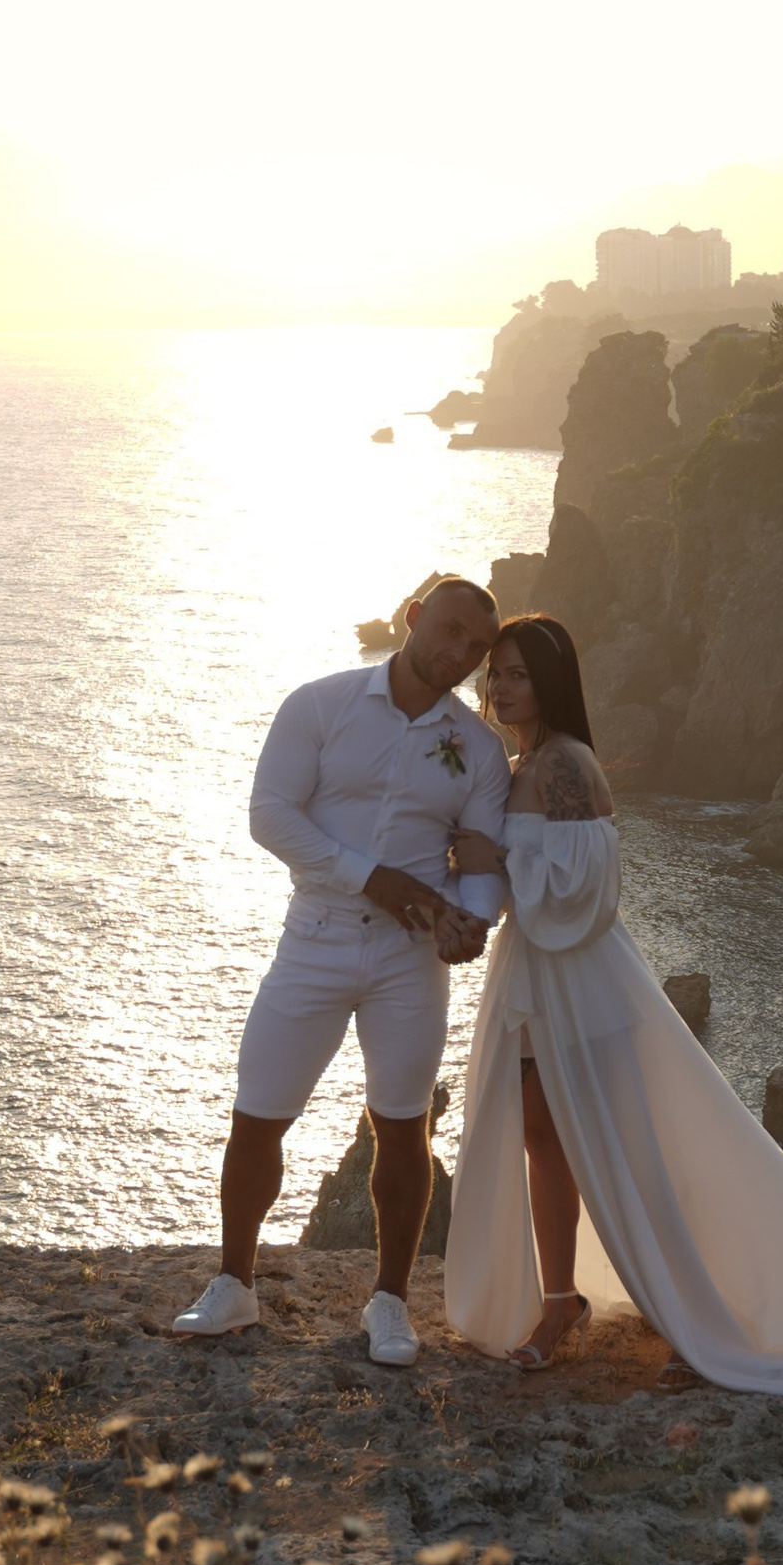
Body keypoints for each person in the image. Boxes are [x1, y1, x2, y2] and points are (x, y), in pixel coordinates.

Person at [441, 614, 783, 1396]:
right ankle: (559, 1301)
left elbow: (587, 895)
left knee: (628, 1147)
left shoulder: (567, 764)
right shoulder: (523, 763)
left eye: (518, 673)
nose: (501, 686)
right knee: (542, 1137)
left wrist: (496, 857)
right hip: (532, 976)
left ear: (550, 682)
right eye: (496, 672)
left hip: (582, 980)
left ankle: (691, 1309)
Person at [174, 576, 510, 1367]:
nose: (459, 654)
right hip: (316, 936)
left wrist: (472, 916)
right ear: (414, 617)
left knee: (402, 1123)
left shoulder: (481, 750)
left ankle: (389, 1301)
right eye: (451, 631)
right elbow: (270, 814)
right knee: (258, 1112)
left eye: (477, 647)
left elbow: (485, 857)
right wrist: (374, 878)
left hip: (409, 956)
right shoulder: (319, 705)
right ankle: (234, 1283)